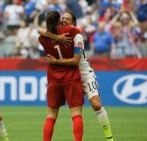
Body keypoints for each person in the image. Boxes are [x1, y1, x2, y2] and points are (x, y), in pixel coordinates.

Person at [40, 11, 114, 141]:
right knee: (75, 113)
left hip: (83, 72)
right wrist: (57, 37)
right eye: (62, 18)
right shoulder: (60, 34)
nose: (64, 20)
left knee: (96, 104)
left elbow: (75, 61)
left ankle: (109, 136)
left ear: (73, 22)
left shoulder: (76, 33)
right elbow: (41, 31)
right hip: (70, 74)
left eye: (67, 19)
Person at [38, 11, 84, 141]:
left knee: (51, 116)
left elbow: (40, 31)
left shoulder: (42, 39)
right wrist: (59, 37)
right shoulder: (70, 31)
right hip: (71, 78)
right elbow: (78, 31)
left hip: (53, 79)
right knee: (76, 114)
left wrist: (54, 37)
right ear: (59, 20)